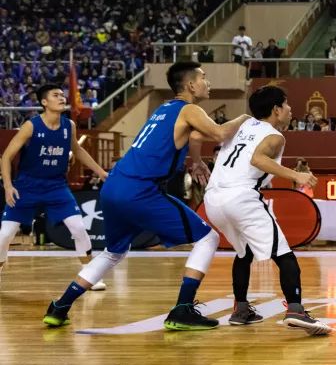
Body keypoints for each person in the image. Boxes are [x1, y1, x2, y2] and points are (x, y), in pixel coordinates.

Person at [42, 61, 248, 330]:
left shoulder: (163, 109)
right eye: (203, 77)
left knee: (113, 252)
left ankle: (59, 307)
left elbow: (194, 136)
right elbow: (220, 133)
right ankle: (182, 309)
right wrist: (246, 117)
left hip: (114, 185)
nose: (207, 82)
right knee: (208, 238)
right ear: (190, 85)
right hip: (140, 189)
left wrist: (196, 161)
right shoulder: (190, 109)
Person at [202, 86, 329, 335]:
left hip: (213, 199)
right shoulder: (274, 136)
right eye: (287, 104)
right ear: (276, 110)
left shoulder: (241, 125)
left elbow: (199, 135)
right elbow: (258, 159)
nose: (291, 109)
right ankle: (295, 310)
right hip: (241, 196)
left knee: (244, 252)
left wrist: (197, 160)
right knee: (283, 254)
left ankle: (241, 309)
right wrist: (296, 175)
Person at [1, 84, 109, 289]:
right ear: (44, 102)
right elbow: (6, 156)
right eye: (56, 95)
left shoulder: (69, 125)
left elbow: (78, 150)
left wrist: (101, 172)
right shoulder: (31, 126)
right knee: (5, 235)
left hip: (56, 186)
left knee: (78, 228)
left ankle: (90, 274)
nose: (61, 98)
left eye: (62, 94)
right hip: (27, 186)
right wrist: (8, 186)